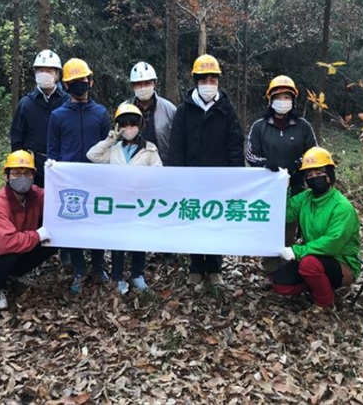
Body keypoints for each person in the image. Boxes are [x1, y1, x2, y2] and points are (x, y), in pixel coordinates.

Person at [168, 54, 245, 286]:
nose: (208, 83)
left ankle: (214, 268)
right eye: (204, 79)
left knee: (214, 223)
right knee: (193, 221)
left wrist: (235, 176)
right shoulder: (184, 110)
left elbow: (235, 144)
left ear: (218, 81)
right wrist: (177, 175)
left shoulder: (227, 110)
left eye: (213, 79)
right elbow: (176, 146)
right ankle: (195, 266)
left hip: (218, 180)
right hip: (191, 178)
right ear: (196, 80)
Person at [46, 58, 111, 293]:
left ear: (90, 81)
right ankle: (79, 270)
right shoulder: (58, 116)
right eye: (73, 82)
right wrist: (52, 173)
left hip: (97, 180)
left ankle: (98, 266)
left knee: (97, 225)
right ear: (65, 86)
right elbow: (52, 150)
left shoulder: (101, 113)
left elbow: (108, 148)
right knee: (72, 226)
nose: (79, 85)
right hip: (68, 182)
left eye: (82, 81)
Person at [271, 146, 361, 313]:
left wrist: (297, 251)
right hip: (313, 256)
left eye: (319, 173)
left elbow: (332, 244)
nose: (314, 178)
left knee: (308, 264)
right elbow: (284, 214)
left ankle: (325, 303)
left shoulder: (342, 207)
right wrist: (284, 187)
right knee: (281, 285)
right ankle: (318, 284)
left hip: (340, 262)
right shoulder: (305, 198)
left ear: (330, 175)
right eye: (310, 175)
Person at [87, 103, 163, 294]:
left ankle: (137, 275)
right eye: (124, 125)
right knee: (118, 242)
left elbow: (159, 174)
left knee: (139, 240)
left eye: (132, 124)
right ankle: (117, 277)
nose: (128, 129)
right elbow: (92, 155)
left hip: (140, 204)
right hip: (118, 205)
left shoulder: (150, 149)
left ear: (140, 125)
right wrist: (109, 140)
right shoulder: (114, 150)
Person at [0, 150, 56, 310]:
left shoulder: (34, 195)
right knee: (7, 255)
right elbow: (4, 244)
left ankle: (12, 274)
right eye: (16, 173)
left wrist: (56, 175)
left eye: (27, 173)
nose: (22, 178)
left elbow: (58, 199)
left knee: (52, 241)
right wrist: (36, 235)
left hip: (16, 248)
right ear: (6, 177)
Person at [245, 75, 317, 274]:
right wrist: (267, 164)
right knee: (269, 226)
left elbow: (314, 154)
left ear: (293, 100)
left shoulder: (303, 126)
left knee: (290, 227)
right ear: (270, 99)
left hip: (295, 187)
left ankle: (290, 267)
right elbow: (250, 154)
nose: (283, 101)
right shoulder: (260, 126)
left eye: (287, 97)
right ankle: (270, 267)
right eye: (279, 96)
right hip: (267, 189)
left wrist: (298, 166)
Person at [127, 61, 177, 265]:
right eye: (138, 84)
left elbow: (176, 139)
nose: (142, 87)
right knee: (136, 210)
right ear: (132, 86)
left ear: (155, 83)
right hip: (133, 170)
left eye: (146, 82)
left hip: (161, 167)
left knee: (163, 209)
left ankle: (167, 250)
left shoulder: (169, 109)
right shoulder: (125, 108)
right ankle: (135, 251)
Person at [10, 49, 69, 188]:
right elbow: (17, 138)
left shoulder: (67, 102)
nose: (44, 74)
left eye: (49, 71)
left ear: (57, 74)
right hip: (34, 169)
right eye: (40, 70)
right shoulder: (26, 103)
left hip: (63, 167)